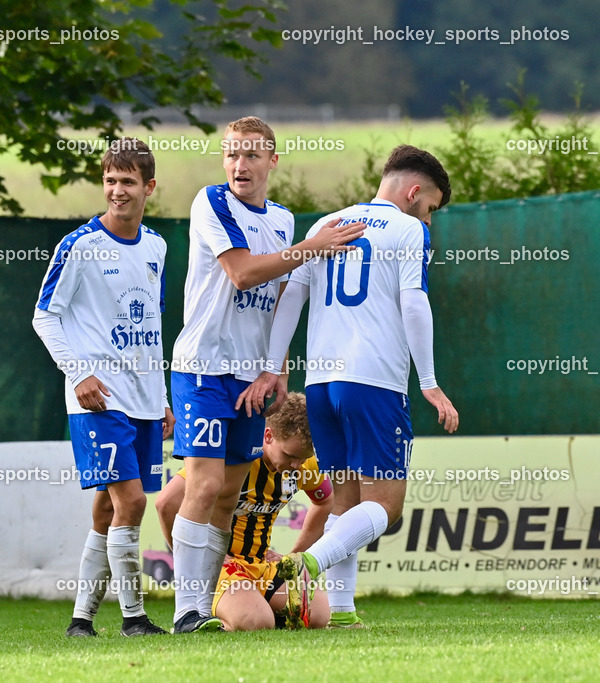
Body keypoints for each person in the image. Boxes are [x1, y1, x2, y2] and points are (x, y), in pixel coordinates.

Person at [241, 144, 460, 628]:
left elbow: (291, 296)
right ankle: (306, 564)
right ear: (415, 191)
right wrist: (429, 381)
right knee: (386, 505)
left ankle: (340, 609)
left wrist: (275, 366)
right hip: (374, 381)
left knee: (347, 501)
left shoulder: (327, 224)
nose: (428, 221)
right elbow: (414, 304)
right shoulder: (407, 231)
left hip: (321, 383)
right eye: (430, 210)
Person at [167, 116, 365, 633]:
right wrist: (312, 247)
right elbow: (244, 272)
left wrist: (274, 367)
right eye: (232, 154)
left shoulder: (280, 218)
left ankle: (211, 602)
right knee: (205, 484)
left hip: (249, 379)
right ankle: (188, 609)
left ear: (272, 161)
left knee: (229, 496)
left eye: (252, 155)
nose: (240, 165)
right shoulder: (212, 202)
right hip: (204, 367)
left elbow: (276, 297)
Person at [33, 137, 173, 638]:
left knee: (108, 507)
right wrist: (79, 374)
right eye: (110, 180)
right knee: (132, 503)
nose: (117, 190)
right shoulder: (79, 246)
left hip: (142, 400)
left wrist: (162, 399)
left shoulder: (157, 247)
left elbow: (153, 327)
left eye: (128, 181)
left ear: (149, 187)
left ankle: (81, 620)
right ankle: (134, 618)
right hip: (97, 398)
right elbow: (44, 317)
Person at [157, 392, 333, 630]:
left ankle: (250, 608)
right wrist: (197, 562)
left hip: (261, 564)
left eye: (303, 459)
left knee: (319, 615)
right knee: (258, 622)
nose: (296, 465)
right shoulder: (235, 459)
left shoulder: (303, 465)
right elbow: (165, 504)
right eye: (290, 456)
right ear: (268, 436)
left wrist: (295, 556)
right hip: (223, 567)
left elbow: (325, 502)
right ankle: (213, 617)